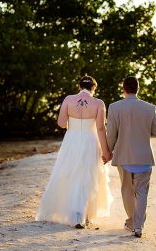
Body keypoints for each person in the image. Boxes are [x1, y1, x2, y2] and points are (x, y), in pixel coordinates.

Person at [36, 75, 113, 229]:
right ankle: (82, 215)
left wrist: (74, 122)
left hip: (71, 141)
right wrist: (106, 151)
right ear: (94, 88)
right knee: (87, 175)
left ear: (79, 86)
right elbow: (100, 128)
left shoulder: (69, 99)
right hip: (90, 141)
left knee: (69, 173)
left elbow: (61, 123)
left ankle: (75, 214)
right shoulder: (99, 103)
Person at [106, 76, 156, 238]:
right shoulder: (150, 108)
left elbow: (111, 135)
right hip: (143, 157)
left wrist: (108, 151)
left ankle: (131, 221)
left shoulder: (114, 107)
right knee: (142, 192)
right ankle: (138, 227)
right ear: (138, 89)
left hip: (123, 156)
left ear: (123, 89)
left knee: (127, 191)